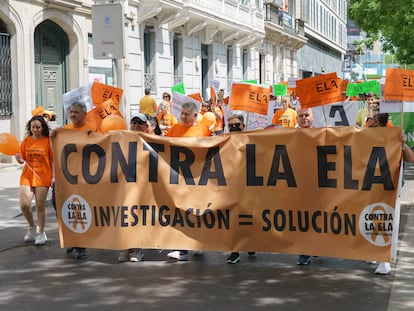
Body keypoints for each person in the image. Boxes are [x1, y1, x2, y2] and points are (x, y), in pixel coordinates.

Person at [165, 102, 211, 260]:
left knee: (196, 210)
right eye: (182, 113)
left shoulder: (203, 130)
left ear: (195, 115)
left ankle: (198, 244)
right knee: (180, 210)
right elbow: (162, 145)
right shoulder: (175, 129)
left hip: (197, 178)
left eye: (187, 114)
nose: (183, 116)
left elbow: (212, 150)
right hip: (178, 177)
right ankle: (182, 248)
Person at [53, 101, 96, 259]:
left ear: (84, 114)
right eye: (71, 112)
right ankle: (71, 238)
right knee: (59, 205)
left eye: (76, 112)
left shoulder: (91, 130)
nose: (72, 115)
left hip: (84, 179)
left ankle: (80, 246)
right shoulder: (64, 131)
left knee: (79, 210)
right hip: (66, 178)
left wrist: (94, 137)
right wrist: (54, 137)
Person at [15, 115, 53, 246]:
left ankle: (41, 232)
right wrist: (18, 158)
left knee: (40, 205)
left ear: (42, 128)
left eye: (38, 127)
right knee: (24, 205)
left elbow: (53, 160)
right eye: (33, 127)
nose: (35, 130)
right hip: (27, 175)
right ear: (30, 128)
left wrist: (54, 177)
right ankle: (32, 227)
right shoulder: (26, 141)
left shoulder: (48, 141)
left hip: (43, 176)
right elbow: (21, 159)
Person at [224, 114, 257, 264]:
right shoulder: (222, 142)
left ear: (243, 126)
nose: (234, 128)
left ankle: (250, 243)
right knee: (233, 218)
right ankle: (235, 251)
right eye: (231, 126)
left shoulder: (252, 140)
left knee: (249, 217)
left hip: (250, 186)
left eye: (237, 125)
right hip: (230, 187)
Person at [295, 107, 314, 265]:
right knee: (303, 218)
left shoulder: (324, 133)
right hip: (298, 184)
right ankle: (305, 251)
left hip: (318, 184)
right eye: (300, 116)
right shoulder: (291, 136)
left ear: (313, 117)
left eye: (307, 115)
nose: (304, 118)